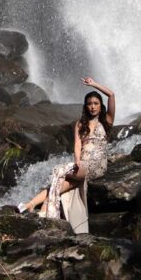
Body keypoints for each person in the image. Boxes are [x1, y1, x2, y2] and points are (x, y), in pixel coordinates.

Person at [16, 76, 115, 233]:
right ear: (86, 106)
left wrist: (94, 84)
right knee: (60, 184)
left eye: (96, 103)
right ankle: (32, 204)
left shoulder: (107, 122)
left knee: (58, 170)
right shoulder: (80, 124)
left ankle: (45, 208)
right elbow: (77, 145)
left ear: (101, 106)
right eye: (89, 104)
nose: (93, 107)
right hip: (82, 165)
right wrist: (77, 161)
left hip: (97, 166)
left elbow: (111, 95)